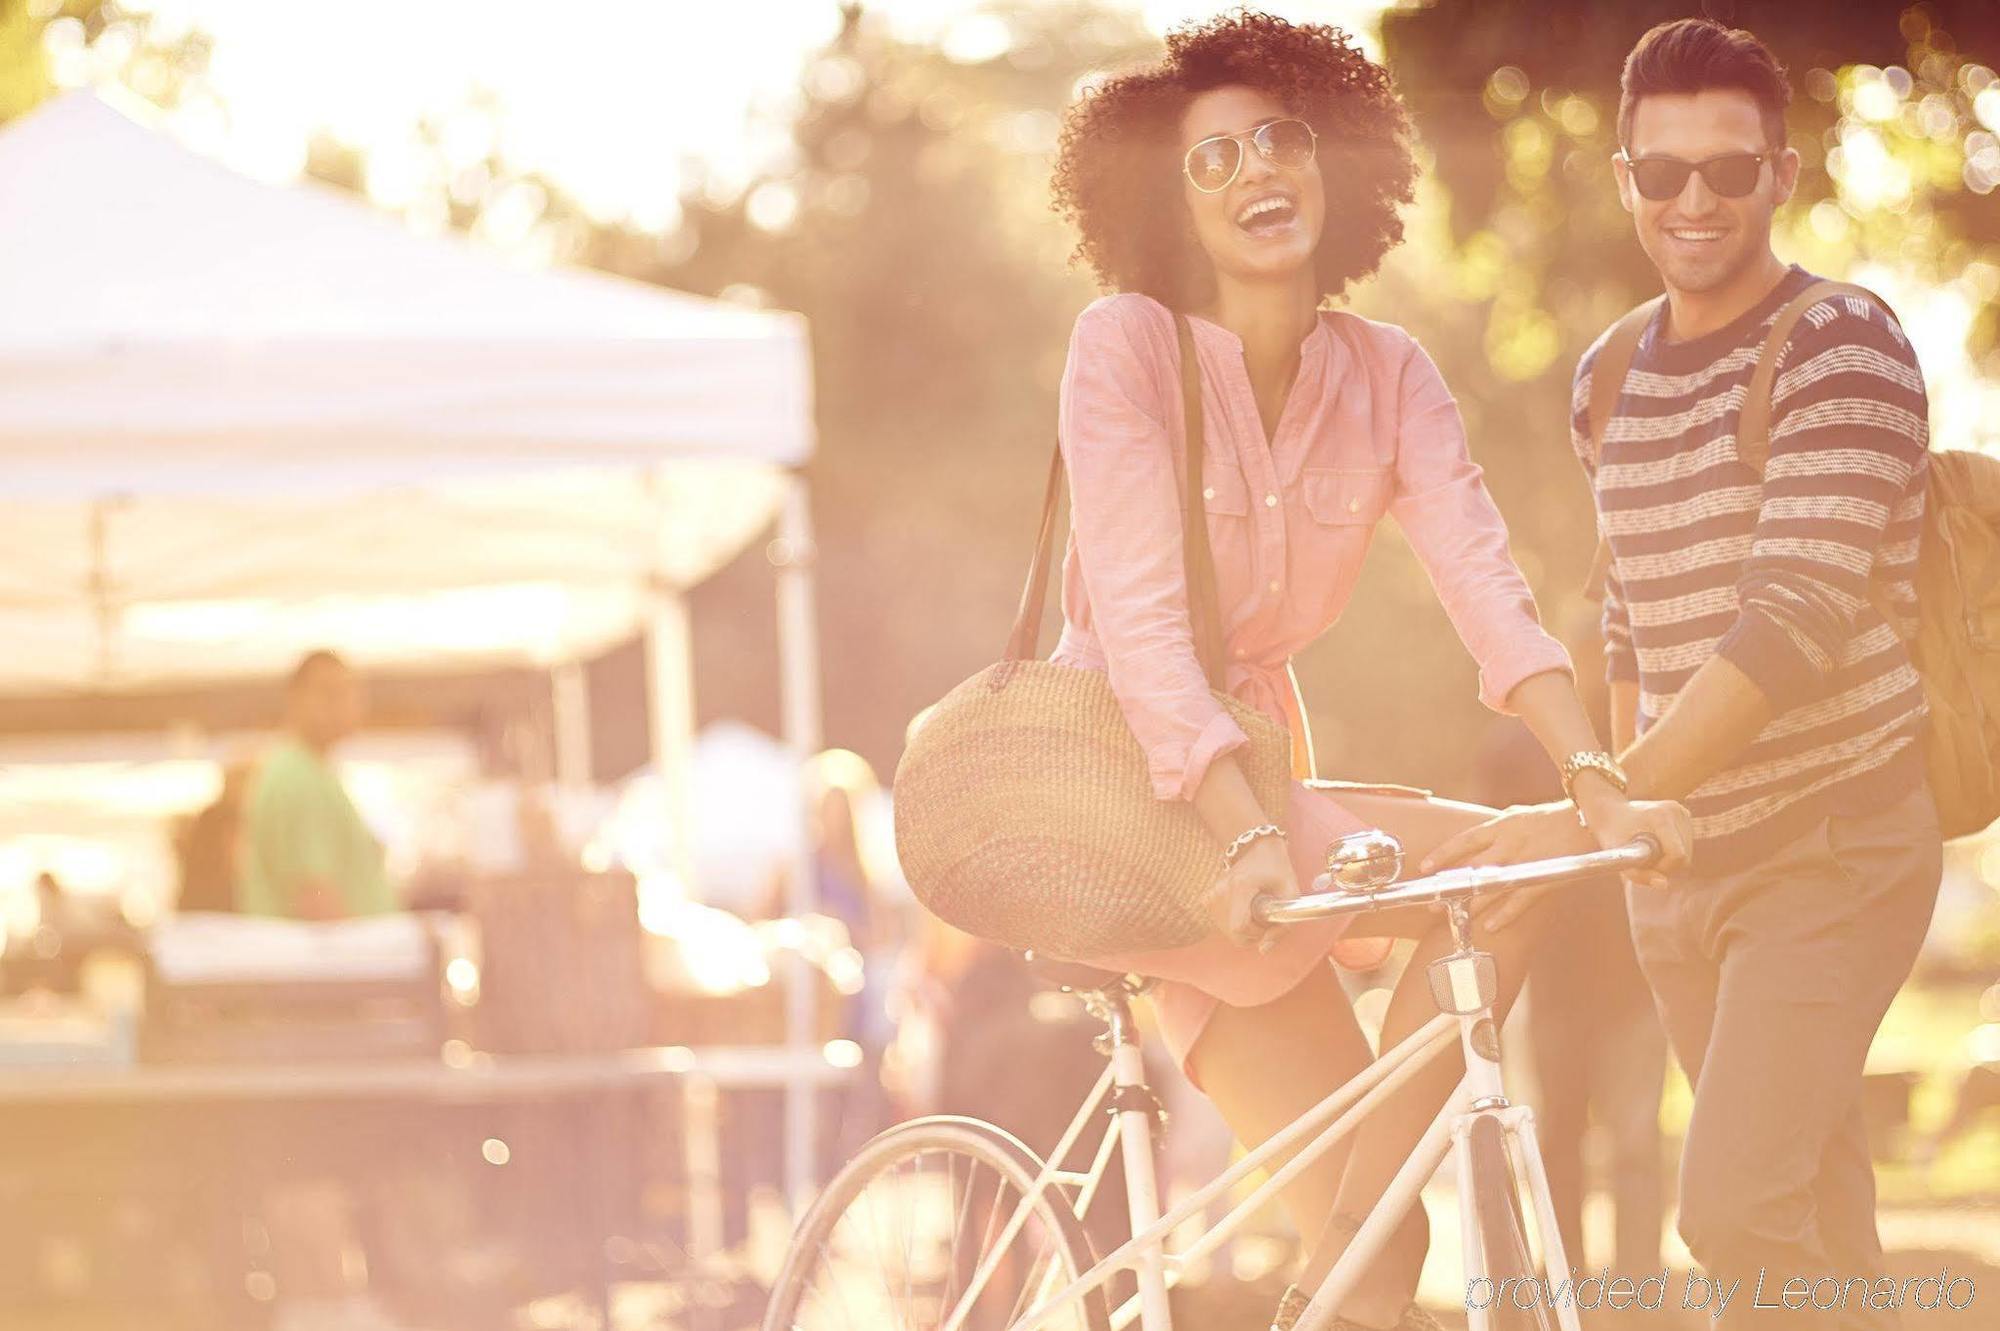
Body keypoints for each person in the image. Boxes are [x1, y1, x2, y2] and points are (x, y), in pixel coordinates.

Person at [1044, 14, 1692, 1329]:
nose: (1252, 170)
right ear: (1166, 203)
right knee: (1372, 1273)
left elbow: (1492, 595)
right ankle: (1323, 1280)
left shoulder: (1389, 374)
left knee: (1380, 1263)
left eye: (1278, 136)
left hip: (1272, 794)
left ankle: (1321, 1280)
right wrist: (1237, 832)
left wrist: (1600, 778)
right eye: (1209, 158)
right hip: (1135, 793)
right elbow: (1145, 631)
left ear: (1334, 158)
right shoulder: (1126, 347)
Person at [1435, 20, 1942, 1328]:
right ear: (1626, 180)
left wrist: (1599, 795)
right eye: (1664, 175)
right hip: (1683, 872)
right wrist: (1630, 842)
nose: (1695, 201)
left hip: (1833, 847)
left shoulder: (1844, 344)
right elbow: (1625, 620)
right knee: (1815, 1213)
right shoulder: (1608, 377)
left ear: (1781, 172)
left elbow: (1792, 628)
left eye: (1729, 170)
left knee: (1731, 1209)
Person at [240, 650, 398, 919]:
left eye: (349, 693)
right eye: (329, 694)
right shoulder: (297, 778)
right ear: (295, 699)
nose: (344, 705)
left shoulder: (315, 773)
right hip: (331, 958)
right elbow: (314, 896)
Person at [175, 759, 253, 914]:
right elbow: (234, 861)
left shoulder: (206, 815)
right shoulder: (229, 818)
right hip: (217, 903)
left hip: (193, 901)